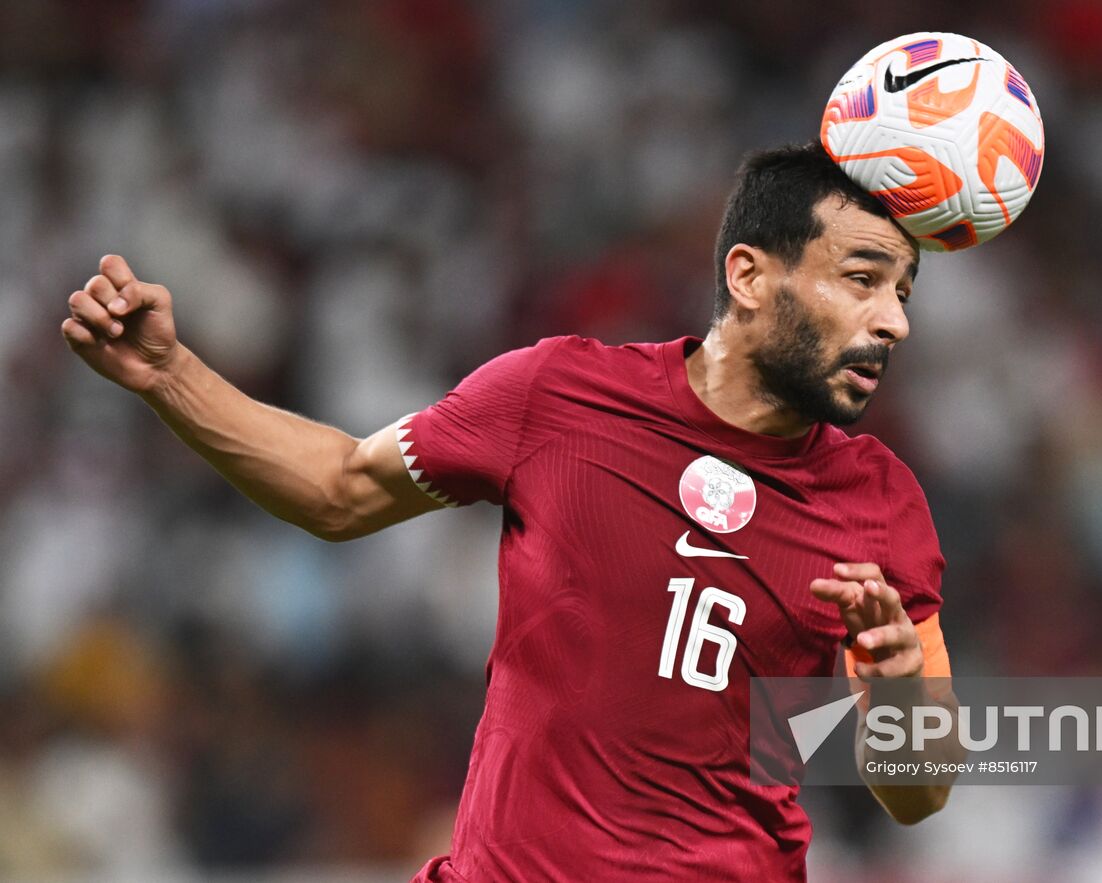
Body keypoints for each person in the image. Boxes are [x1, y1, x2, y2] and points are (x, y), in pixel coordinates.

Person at [60, 141, 954, 881]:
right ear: (751, 276)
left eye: (902, 294)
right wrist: (172, 375)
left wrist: (899, 688)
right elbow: (338, 488)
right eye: (863, 279)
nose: (892, 323)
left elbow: (918, 787)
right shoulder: (557, 395)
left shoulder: (881, 502)